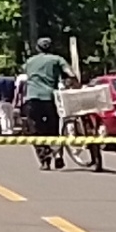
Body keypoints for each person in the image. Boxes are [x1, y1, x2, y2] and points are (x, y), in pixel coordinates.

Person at [21, 37, 69, 170]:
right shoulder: (57, 59)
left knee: (36, 130)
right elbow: (70, 73)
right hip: (50, 98)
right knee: (53, 128)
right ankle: (57, 154)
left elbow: (25, 75)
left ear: (37, 48)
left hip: (32, 98)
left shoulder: (29, 62)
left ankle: (44, 160)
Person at [0, 70, 18, 135]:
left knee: (3, 116)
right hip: (10, 102)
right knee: (10, 117)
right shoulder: (12, 80)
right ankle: (10, 129)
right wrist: (15, 101)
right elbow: (15, 91)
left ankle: (5, 130)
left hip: (1, 101)